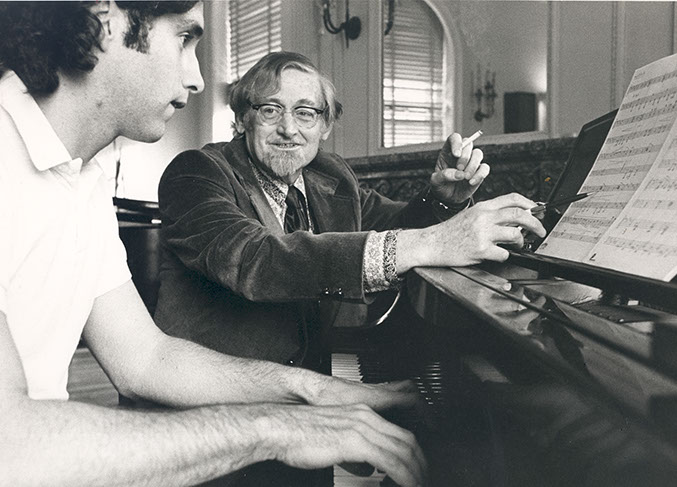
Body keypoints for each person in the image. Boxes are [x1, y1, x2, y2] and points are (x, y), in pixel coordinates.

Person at [0, 3, 428, 486]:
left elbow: (146, 359)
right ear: (105, 18)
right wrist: (275, 427)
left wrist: (318, 392)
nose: (199, 79)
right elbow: (8, 443)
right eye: (185, 38)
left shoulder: (86, 178)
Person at [155, 51, 547, 372]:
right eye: (271, 110)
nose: (289, 129)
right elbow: (255, 259)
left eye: (306, 113)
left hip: (311, 377)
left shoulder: (330, 175)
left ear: (325, 127)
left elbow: (393, 224)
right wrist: (432, 242)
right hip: (219, 399)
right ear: (242, 119)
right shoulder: (195, 172)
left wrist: (443, 198)